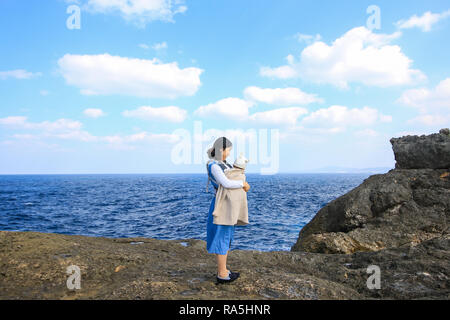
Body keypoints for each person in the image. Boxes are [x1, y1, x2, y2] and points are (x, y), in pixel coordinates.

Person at [206, 137, 250, 284]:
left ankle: (223, 270)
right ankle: (222, 274)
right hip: (221, 204)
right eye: (228, 150)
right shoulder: (213, 166)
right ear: (220, 149)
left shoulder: (224, 164)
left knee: (226, 237)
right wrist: (242, 184)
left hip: (227, 204)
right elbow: (225, 183)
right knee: (221, 237)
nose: (229, 154)